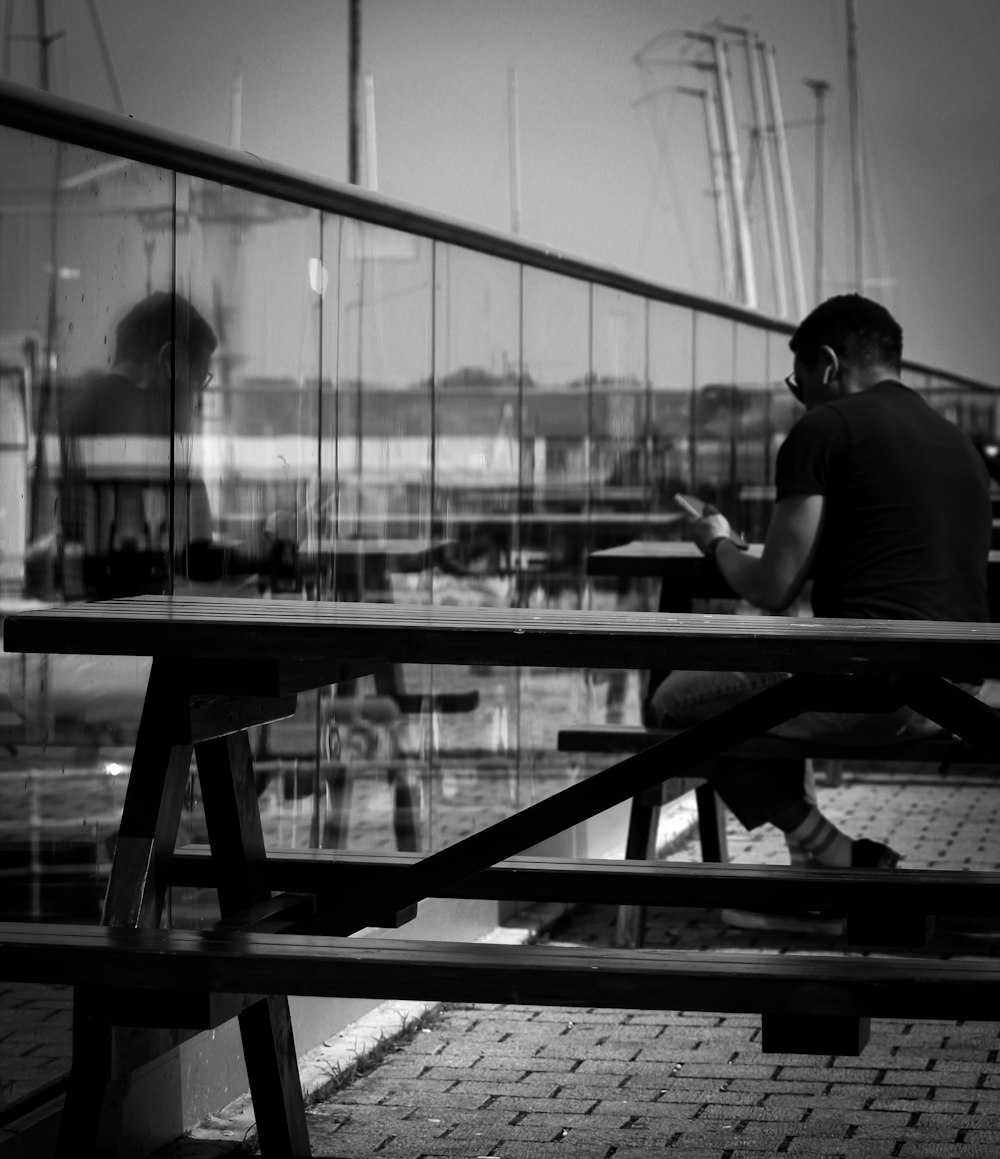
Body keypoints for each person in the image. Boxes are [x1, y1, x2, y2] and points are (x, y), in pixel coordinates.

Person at [649, 294, 992, 880]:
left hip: (868, 694)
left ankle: (830, 853)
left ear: (828, 364)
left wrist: (719, 542)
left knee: (671, 704)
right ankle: (815, 868)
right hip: (956, 695)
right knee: (774, 685)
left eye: (798, 379)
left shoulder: (826, 428)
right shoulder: (954, 439)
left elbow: (774, 587)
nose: (800, 396)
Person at [57, 291, 219, 599]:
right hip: (132, 626)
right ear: (170, 363)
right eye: (199, 381)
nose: (197, 401)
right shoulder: (157, 431)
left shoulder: (72, 413)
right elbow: (199, 555)